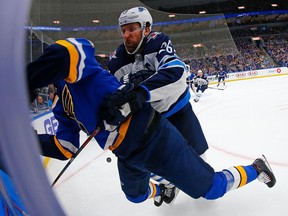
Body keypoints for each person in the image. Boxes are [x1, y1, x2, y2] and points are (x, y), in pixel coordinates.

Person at [27, 38, 276, 208]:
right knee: (135, 196)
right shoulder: (59, 105)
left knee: (211, 188)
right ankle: (164, 189)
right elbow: (65, 148)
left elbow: (69, 50)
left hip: (154, 137)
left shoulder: (75, 70)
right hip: (126, 153)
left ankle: (257, 167)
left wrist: (25, 80)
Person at [108, 6, 208, 159]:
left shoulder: (158, 41)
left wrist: (141, 91)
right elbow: (116, 94)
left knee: (199, 164)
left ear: (146, 28)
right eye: (123, 31)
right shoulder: (117, 61)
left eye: (131, 29)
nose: (126, 35)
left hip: (179, 114)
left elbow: (176, 73)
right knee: (152, 169)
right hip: (148, 123)